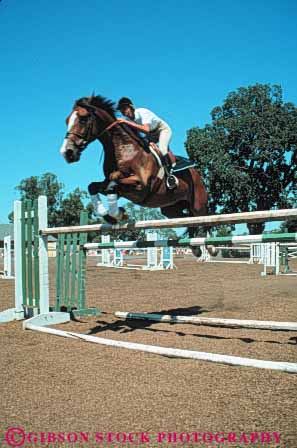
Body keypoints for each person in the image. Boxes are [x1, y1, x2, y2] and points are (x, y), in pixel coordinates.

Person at [116, 97, 178, 189]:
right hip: (151, 135)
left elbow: (146, 129)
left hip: (162, 130)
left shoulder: (142, 112)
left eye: (125, 109)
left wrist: (125, 122)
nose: (124, 112)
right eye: (121, 111)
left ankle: (170, 175)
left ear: (131, 107)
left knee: (162, 149)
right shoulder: (130, 119)